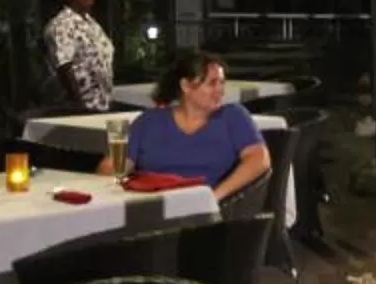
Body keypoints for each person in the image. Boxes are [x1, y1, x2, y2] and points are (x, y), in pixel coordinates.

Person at [112, 51, 272, 205]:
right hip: (150, 208)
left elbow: (259, 159)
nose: (221, 91)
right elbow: (114, 167)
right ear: (186, 86)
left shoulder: (233, 116)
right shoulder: (149, 121)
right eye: (212, 83)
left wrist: (214, 197)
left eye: (222, 83)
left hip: (210, 212)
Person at [43, 0, 116, 112]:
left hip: (101, 104)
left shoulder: (92, 24)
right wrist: (78, 104)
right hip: (79, 107)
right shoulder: (62, 24)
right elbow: (64, 65)